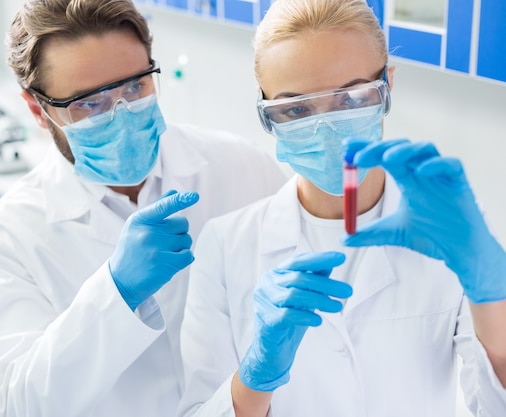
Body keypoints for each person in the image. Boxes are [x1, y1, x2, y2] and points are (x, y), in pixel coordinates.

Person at [177, 0, 506, 416]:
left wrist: (495, 294)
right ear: (267, 114)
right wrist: (256, 378)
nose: (326, 126)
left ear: (387, 85)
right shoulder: (226, 245)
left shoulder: (448, 229)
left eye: (350, 98)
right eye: (296, 108)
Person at [0, 0, 287, 416]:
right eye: (88, 102)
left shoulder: (241, 167)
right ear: (38, 109)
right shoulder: (13, 234)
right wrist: (116, 293)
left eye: (135, 86)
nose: (121, 112)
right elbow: (12, 405)